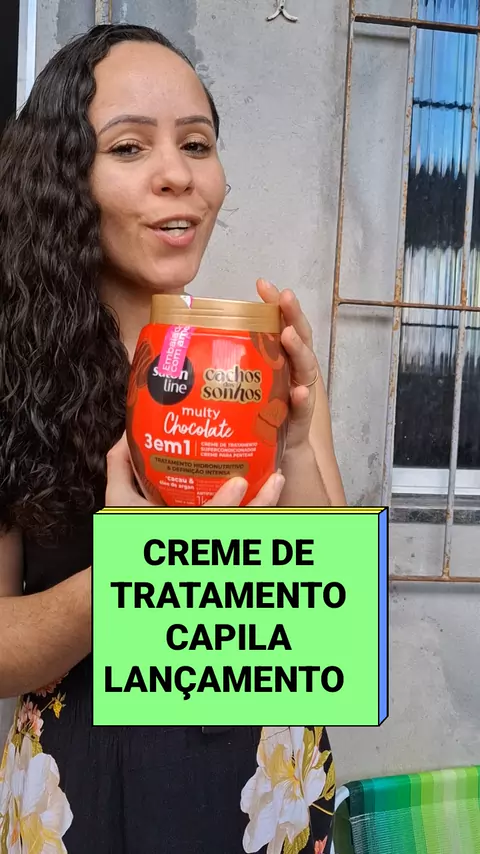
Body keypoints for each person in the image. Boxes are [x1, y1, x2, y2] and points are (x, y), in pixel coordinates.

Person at [0, 23, 345, 854]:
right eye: (129, 147)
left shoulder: (259, 362)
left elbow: (332, 618)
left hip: (267, 785)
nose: (177, 175)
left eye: (197, 144)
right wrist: (133, 575)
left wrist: (297, 442)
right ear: (64, 177)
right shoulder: (16, 373)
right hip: (83, 796)